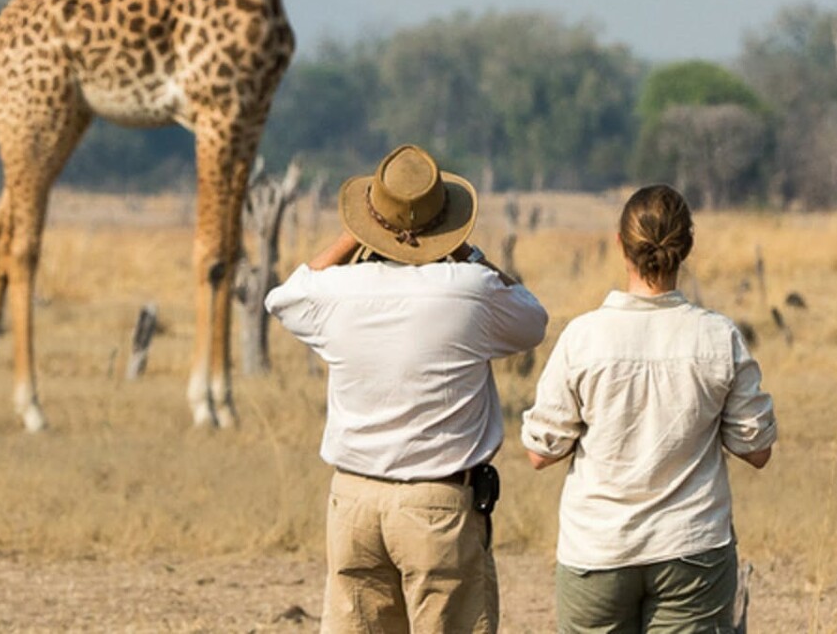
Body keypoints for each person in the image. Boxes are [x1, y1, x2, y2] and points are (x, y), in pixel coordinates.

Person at [267, 144, 549, 634]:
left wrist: (350, 236)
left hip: (353, 501)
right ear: (447, 222)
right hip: (438, 505)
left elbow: (285, 297)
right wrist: (468, 251)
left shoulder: (339, 293)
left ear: (369, 221)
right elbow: (532, 318)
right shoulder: (470, 289)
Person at [520, 184, 776, 634]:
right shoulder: (718, 336)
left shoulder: (584, 337)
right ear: (687, 246)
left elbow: (540, 453)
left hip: (597, 549)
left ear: (620, 244)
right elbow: (756, 450)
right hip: (692, 544)